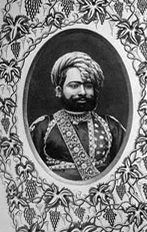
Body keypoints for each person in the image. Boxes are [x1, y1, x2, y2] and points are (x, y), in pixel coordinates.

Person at [30, 52, 126, 180]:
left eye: (88, 86)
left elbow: (124, 170)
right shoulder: (42, 127)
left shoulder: (111, 126)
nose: (82, 92)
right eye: (74, 86)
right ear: (59, 91)